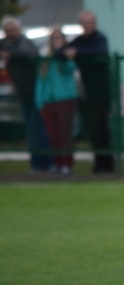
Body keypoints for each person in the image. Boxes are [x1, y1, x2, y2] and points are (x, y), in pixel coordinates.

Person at [0, 16, 52, 172]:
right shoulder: (5, 45)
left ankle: (46, 163)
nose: (11, 33)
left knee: (40, 129)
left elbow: (30, 53)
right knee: (31, 130)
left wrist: (11, 56)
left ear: (19, 29)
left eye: (13, 30)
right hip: (23, 94)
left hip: (35, 93)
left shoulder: (25, 43)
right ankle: (36, 164)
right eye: (8, 31)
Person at [68, 11, 114, 173]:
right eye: (84, 22)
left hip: (100, 93)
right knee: (92, 129)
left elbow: (99, 52)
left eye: (90, 22)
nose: (87, 25)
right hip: (85, 94)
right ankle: (98, 162)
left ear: (95, 23)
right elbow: (62, 50)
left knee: (102, 128)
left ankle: (106, 163)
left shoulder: (100, 39)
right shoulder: (78, 41)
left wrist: (78, 53)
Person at [35, 29, 78, 175]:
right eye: (54, 38)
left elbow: (69, 70)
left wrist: (64, 56)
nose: (57, 41)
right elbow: (41, 81)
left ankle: (67, 163)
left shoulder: (66, 57)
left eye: (60, 38)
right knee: (52, 134)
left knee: (64, 133)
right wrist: (40, 101)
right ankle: (57, 162)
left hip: (65, 99)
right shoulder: (45, 59)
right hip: (49, 101)